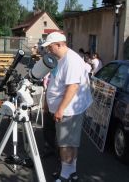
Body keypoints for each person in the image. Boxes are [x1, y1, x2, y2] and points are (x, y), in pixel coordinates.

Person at [42, 32, 92, 182]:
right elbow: (54, 81)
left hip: (69, 110)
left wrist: (60, 109)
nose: (48, 50)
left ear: (59, 44)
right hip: (63, 108)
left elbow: (73, 87)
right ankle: (71, 171)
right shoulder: (60, 58)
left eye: (50, 47)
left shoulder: (72, 60)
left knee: (65, 144)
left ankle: (66, 175)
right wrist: (47, 102)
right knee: (70, 142)